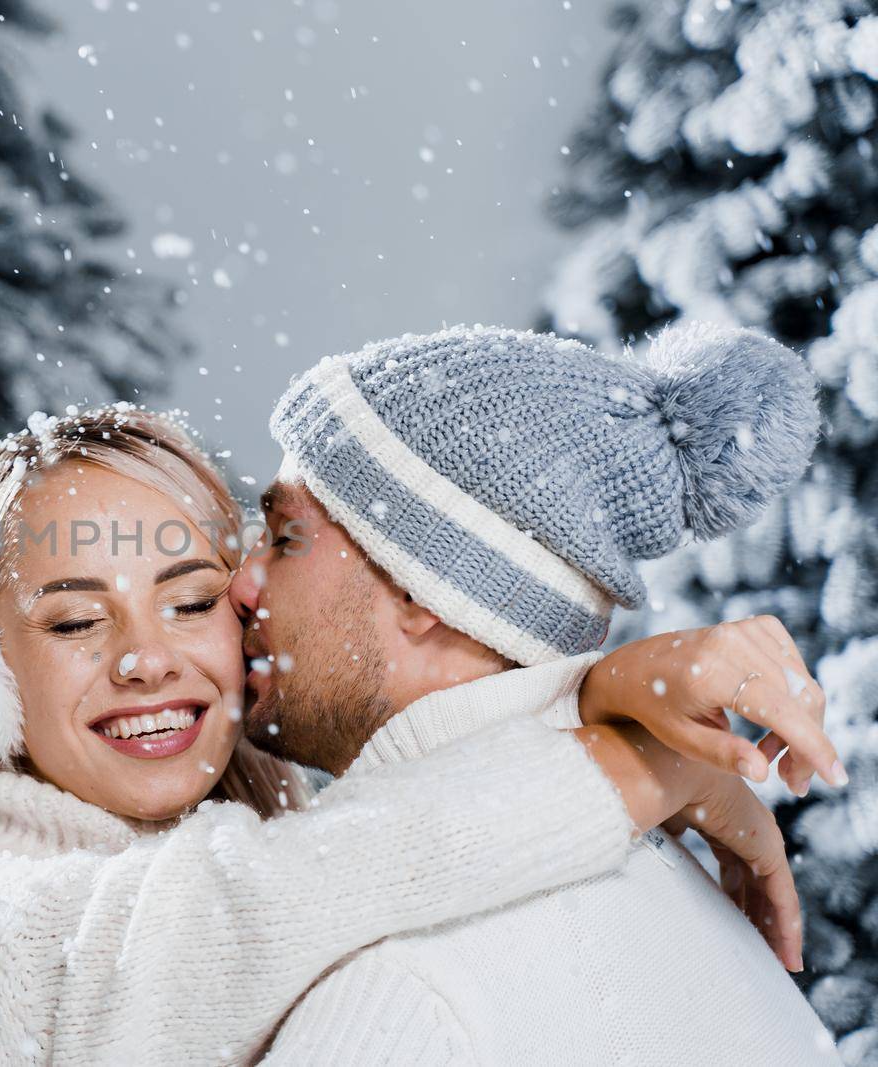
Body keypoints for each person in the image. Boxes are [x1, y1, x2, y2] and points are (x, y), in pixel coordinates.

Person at [0, 395, 831, 1063]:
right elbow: (212, 928)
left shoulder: (319, 892)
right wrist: (615, 752)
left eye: (191, 598)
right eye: (75, 619)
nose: (145, 657)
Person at [249, 321, 837, 1063]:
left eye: (284, 538)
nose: (240, 584)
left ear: (417, 585)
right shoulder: (680, 898)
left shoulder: (402, 997)